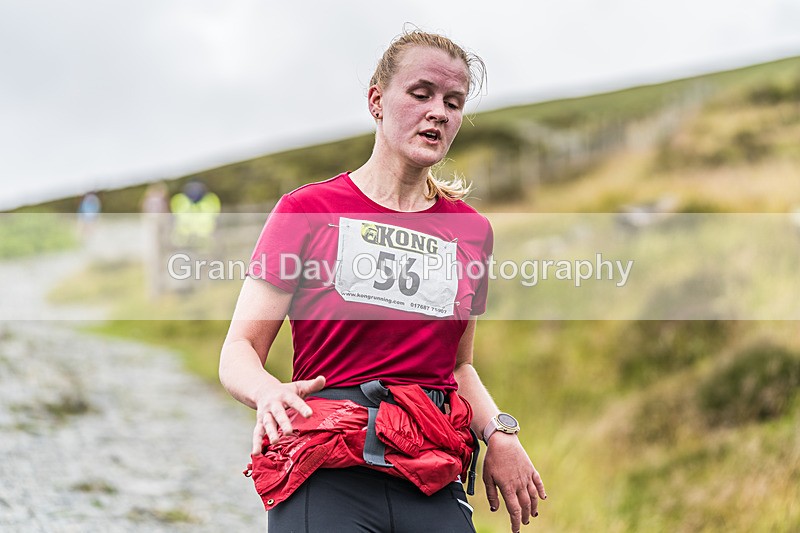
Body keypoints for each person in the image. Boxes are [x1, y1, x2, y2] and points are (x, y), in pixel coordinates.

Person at [219, 29, 546, 533]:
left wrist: (500, 434)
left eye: (453, 102)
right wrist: (266, 392)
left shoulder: (471, 231)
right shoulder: (307, 210)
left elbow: (458, 367)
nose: (439, 111)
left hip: (431, 471)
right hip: (326, 467)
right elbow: (240, 347)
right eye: (422, 94)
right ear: (377, 100)